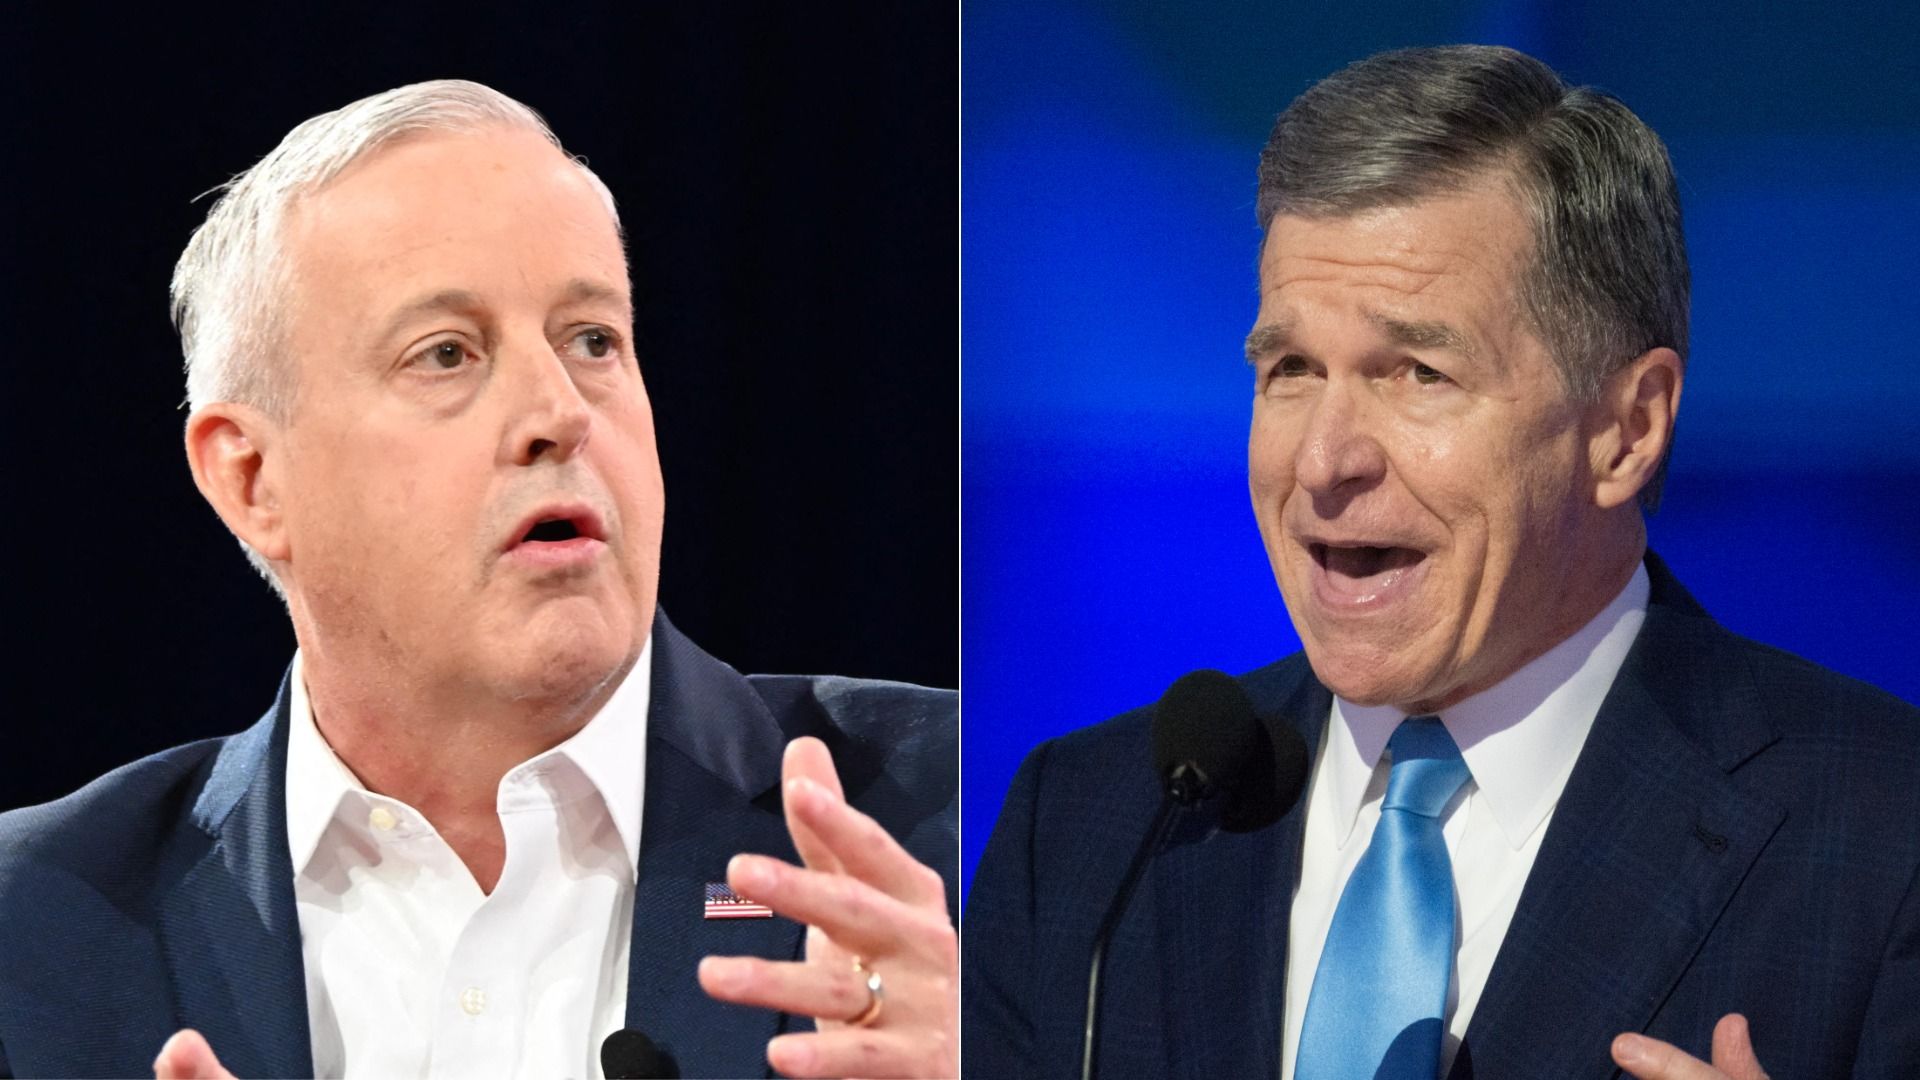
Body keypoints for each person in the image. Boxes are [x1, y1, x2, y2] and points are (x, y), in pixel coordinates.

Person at [963, 44, 1919, 1080]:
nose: (1323, 461)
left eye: (1417, 372)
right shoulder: (1084, 831)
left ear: (1627, 431)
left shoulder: (1883, 838)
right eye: (1290, 370)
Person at [0, 80, 956, 1080]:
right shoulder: (35, 932)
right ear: (254, 479)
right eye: (447, 354)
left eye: (593, 339)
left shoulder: (976, 829)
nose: (559, 410)